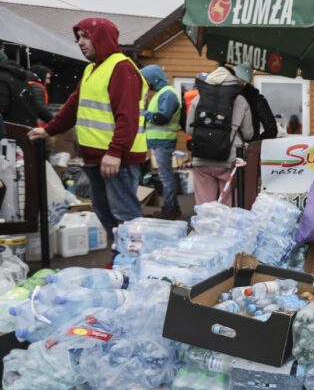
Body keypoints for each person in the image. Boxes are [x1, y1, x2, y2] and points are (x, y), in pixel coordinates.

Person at [27, 17, 147, 232]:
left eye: (85, 37)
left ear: (101, 38)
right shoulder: (92, 70)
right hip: (97, 157)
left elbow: (126, 117)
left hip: (117, 159)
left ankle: (134, 263)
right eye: (79, 38)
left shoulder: (121, 68)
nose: (80, 42)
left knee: (125, 217)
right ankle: (120, 260)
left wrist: (115, 152)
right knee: (105, 214)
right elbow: (73, 107)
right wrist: (48, 130)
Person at [186, 66, 253, 206]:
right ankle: (225, 227)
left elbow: (189, 130)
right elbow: (248, 133)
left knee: (205, 206)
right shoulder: (240, 100)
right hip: (228, 159)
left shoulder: (199, 98)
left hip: (202, 158)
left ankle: (205, 227)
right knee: (227, 206)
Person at [140, 64, 182, 220]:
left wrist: (145, 114)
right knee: (166, 176)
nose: (146, 84)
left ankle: (170, 209)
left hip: (163, 142)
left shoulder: (167, 94)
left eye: (146, 80)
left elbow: (162, 117)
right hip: (159, 142)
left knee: (165, 177)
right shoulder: (162, 94)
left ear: (153, 79)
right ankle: (173, 208)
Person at [0, 53, 50, 132]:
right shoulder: (22, 81)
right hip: (26, 131)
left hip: (11, 132)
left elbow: (2, 107)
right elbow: (38, 108)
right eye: (47, 78)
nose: (48, 81)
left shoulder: (3, 79)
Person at [231, 62, 278, 141]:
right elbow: (271, 129)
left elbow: (271, 129)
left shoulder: (256, 99)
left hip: (239, 146)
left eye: (238, 78)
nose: (236, 81)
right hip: (231, 146)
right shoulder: (228, 94)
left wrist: (255, 144)